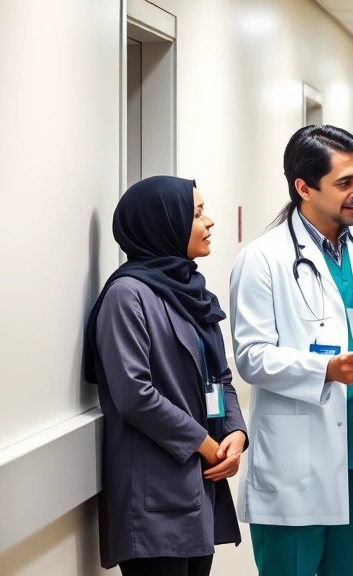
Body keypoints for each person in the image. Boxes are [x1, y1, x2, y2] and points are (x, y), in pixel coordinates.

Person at [228, 125, 353, 576]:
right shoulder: (262, 258)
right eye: (345, 182)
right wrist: (327, 369)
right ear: (303, 187)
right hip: (296, 464)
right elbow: (251, 355)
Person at [84, 176, 247, 576]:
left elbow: (220, 374)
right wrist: (205, 444)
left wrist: (235, 434)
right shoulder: (127, 295)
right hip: (152, 492)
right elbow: (135, 394)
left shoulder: (190, 289)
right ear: (164, 223)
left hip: (199, 483)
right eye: (196, 213)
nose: (209, 222)